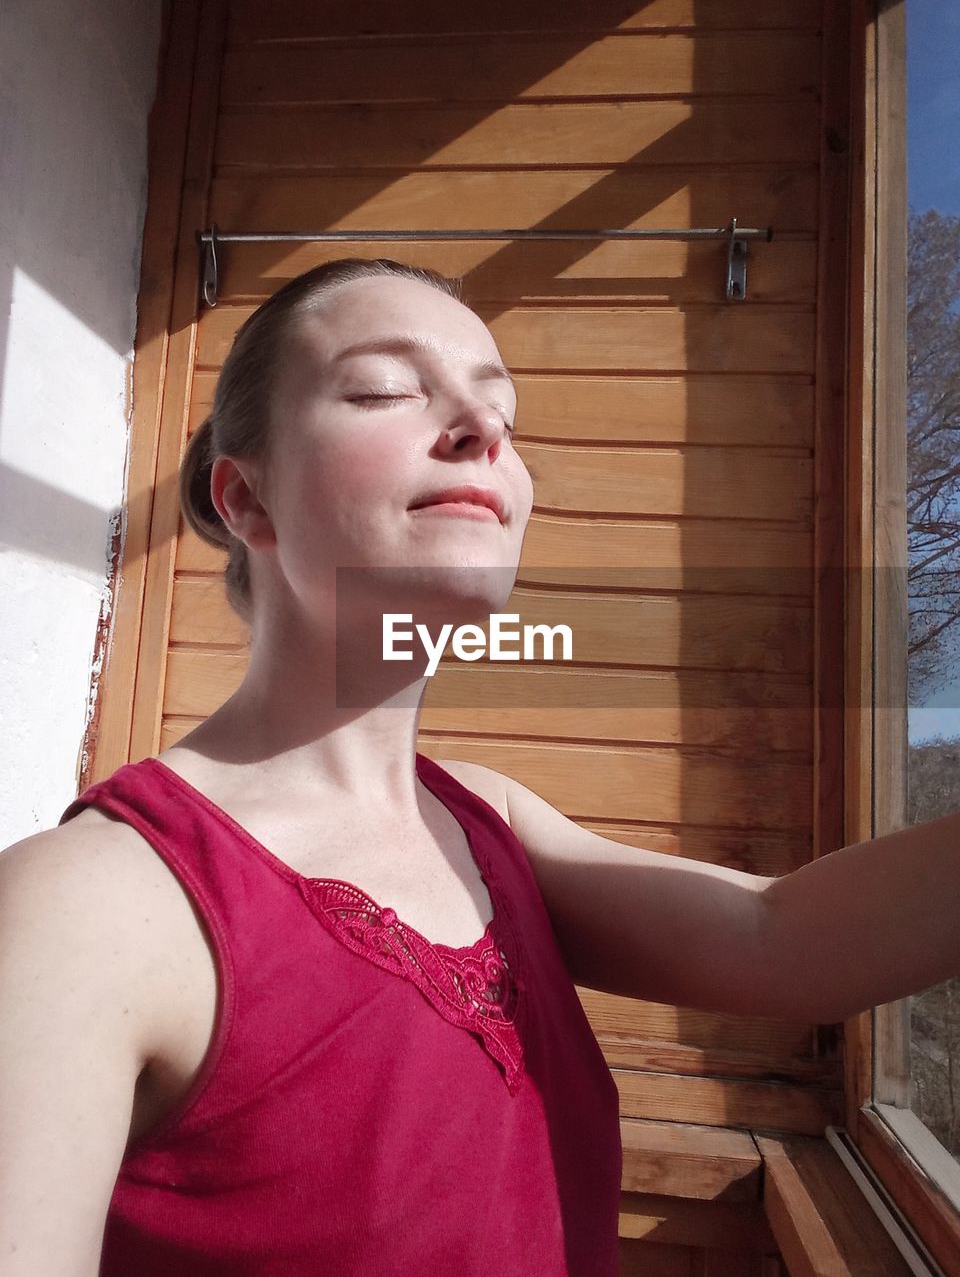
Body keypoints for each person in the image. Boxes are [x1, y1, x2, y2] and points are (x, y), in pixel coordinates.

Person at [3, 257, 960, 1276]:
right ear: (248, 499)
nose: (482, 429)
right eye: (382, 389)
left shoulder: (493, 819)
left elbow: (789, 940)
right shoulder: (89, 907)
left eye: (502, 408)